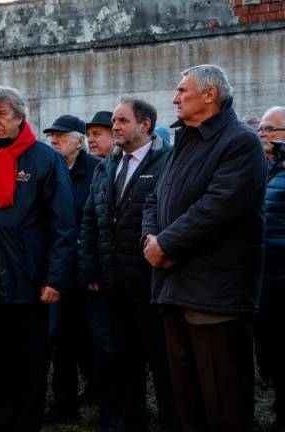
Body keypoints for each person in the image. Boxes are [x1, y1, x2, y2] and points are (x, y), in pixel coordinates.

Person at [142, 64, 266, 432]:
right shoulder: (187, 140)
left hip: (217, 298)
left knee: (224, 404)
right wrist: (150, 240)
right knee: (188, 402)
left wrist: (165, 244)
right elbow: (155, 198)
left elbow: (217, 209)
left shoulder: (240, 141)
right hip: (175, 290)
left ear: (210, 95)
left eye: (183, 90)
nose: (175, 98)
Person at [0, 86, 77, 431]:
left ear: (20, 118)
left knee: (31, 364)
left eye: (1, 114)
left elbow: (63, 224)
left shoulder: (45, 159)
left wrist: (55, 279)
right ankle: (1, 422)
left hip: (32, 284)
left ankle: (27, 424)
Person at [79, 97, 176, 432]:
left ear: (145, 124)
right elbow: (91, 217)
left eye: (121, 121)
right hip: (113, 282)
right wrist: (91, 267)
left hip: (152, 282)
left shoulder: (167, 162)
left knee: (162, 361)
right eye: (115, 122)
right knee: (124, 359)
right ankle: (132, 421)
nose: (115, 127)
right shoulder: (108, 164)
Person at [42, 114, 101, 425]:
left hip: (88, 270)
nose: (54, 141)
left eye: (62, 136)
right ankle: (64, 402)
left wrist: (92, 267)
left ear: (80, 140)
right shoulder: (48, 169)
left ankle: (98, 389)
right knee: (59, 337)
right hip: (57, 270)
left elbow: (96, 222)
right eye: (52, 136)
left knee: (92, 336)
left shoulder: (96, 171)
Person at [258, 106, 285, 432]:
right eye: (261, 129)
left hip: (281, 280)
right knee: (272, 354)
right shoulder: (268, 170)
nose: (263, 135)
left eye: (270, 129)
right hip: (265, 280)